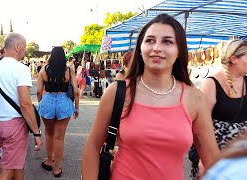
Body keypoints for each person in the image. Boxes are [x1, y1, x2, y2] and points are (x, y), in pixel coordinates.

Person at [82, 13, 220, 180]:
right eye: (150, 40)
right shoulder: (117, 92)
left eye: (167, 41)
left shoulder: (195, 99)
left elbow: (212, 159)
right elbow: (92, 146)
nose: (157, 48)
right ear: (140, 48)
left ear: (179, 52)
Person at [0, 32, 42, 180]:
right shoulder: (21, 69)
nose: (25, 50)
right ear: (17, 47)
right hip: (14, 125)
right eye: (24, 47)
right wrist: (36, 133)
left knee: (16, 164)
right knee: (7, 170)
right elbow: (25, 104)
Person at [191, 39, 247, 179]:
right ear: (234, 59)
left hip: (241, 157)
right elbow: (200, 125)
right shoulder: (210, 84)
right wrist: (203, 161)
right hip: (215, 155)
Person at [37, 46, 79, 178]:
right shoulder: (69, 71)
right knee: (59, 138)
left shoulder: (43, 70)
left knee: (49, 133)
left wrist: (41, 103)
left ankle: (49, 161)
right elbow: (76, 91)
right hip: (63, 102)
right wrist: (76, 107)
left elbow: (38, 91)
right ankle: (57, 169)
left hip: (48, 100)